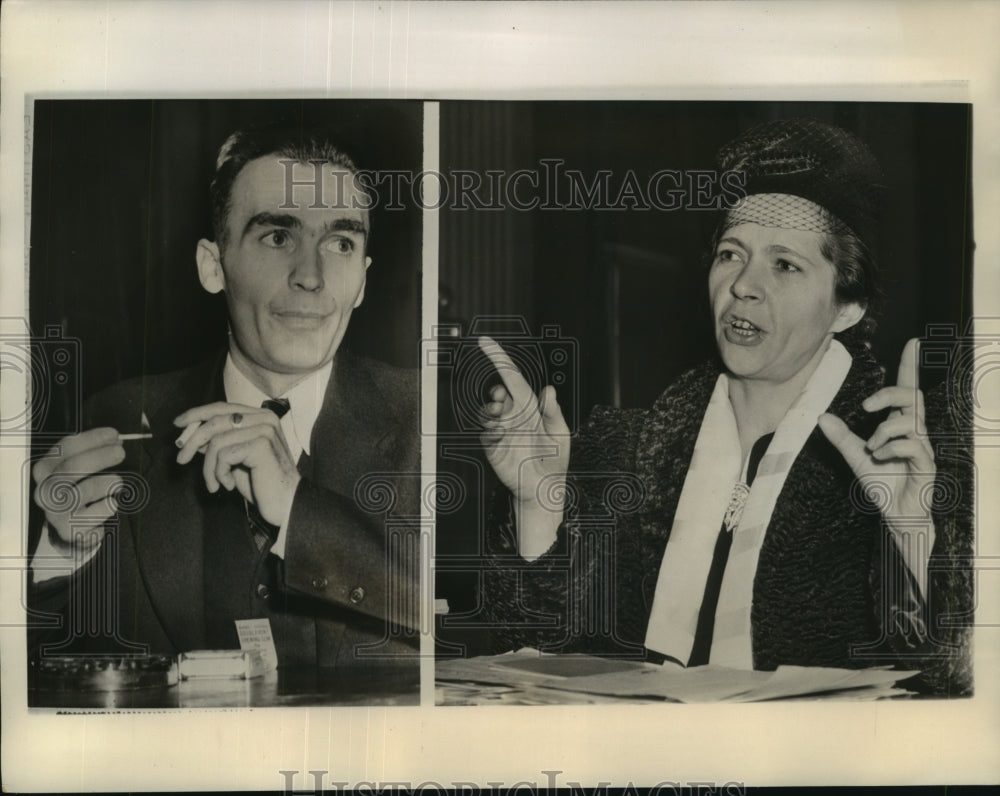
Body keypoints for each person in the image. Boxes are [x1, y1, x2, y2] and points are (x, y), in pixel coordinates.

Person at [477, 118, 972, 696]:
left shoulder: (917, 458)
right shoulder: (618, 449)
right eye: (731, 254)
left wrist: (914, 535)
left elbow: (960, 689)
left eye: (784, 264)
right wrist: (538, 508)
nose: (743, 285)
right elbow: (533, 659)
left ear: (848, 307)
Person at [28, 123, 420, 685]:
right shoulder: (119, 421)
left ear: (362, 280)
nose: (310, 276)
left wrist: (296, 509)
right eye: (278, 237)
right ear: (213, 267)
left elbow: (469, 633)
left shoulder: (425, 420)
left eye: (340, 243)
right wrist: (60, 552)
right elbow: (34, 684)